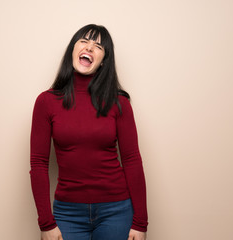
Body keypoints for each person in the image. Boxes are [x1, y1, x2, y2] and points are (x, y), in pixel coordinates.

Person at [30, 24, 148, 240]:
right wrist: (46, 223)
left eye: (98, 46)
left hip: (116, 211)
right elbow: (38, 164)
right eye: (84, 41)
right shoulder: (46, 102)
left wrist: (140, 222)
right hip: (67, 213)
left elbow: (132, 160)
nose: (90, 47)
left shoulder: (119, 102)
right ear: (72, 51)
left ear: (103, 60)